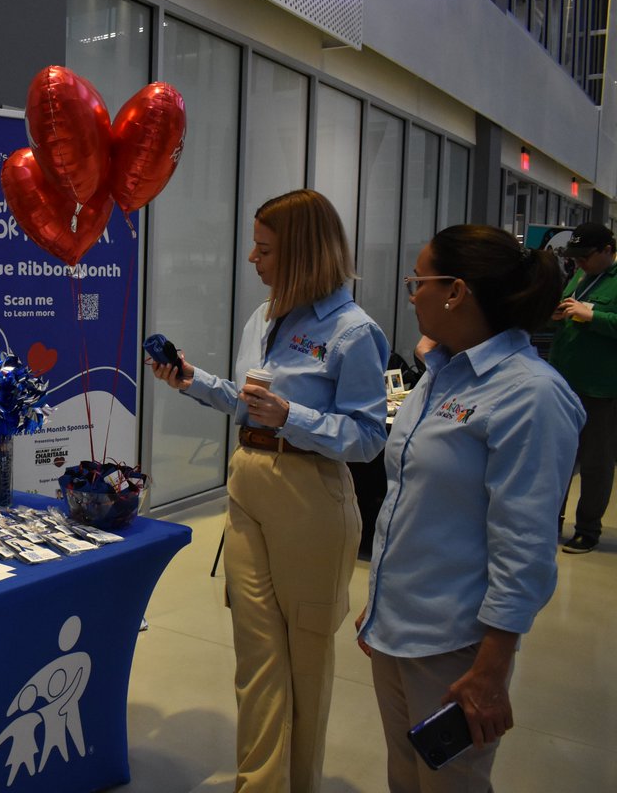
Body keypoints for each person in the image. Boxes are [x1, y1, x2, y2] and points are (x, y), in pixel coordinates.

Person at [150, 189, 389, 792]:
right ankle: (257, 784)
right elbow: (247, 401)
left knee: (306, 660)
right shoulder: (265, 316)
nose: (252, 260)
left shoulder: (353, 332)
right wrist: (192, 380)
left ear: (303, 253)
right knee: (256, 657)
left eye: (265, 249)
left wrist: (294, 418)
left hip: (312, 495)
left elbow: (366, 438)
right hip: (249, 481)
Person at [355, 225, 585, 793]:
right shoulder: (440, 375)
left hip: (455, 646)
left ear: (455, 291)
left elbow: (524, 547)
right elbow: (413, 507)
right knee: (406, 780)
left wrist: (491, 669)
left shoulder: (529, 394)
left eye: (418, 282)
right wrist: (379, 603)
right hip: (396, 627)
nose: (412, 296)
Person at [549, 222, 617, 554]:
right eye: (575, 258)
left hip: (601, 388)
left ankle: (588, 528)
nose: (580, 264)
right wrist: (560, 312)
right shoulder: (580, 276)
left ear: (607, 250)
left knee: (595, 462)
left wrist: (592, 317)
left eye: (586, 257)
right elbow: (567, 305)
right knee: (559, 455)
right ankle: (550, 521)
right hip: (565, 382)